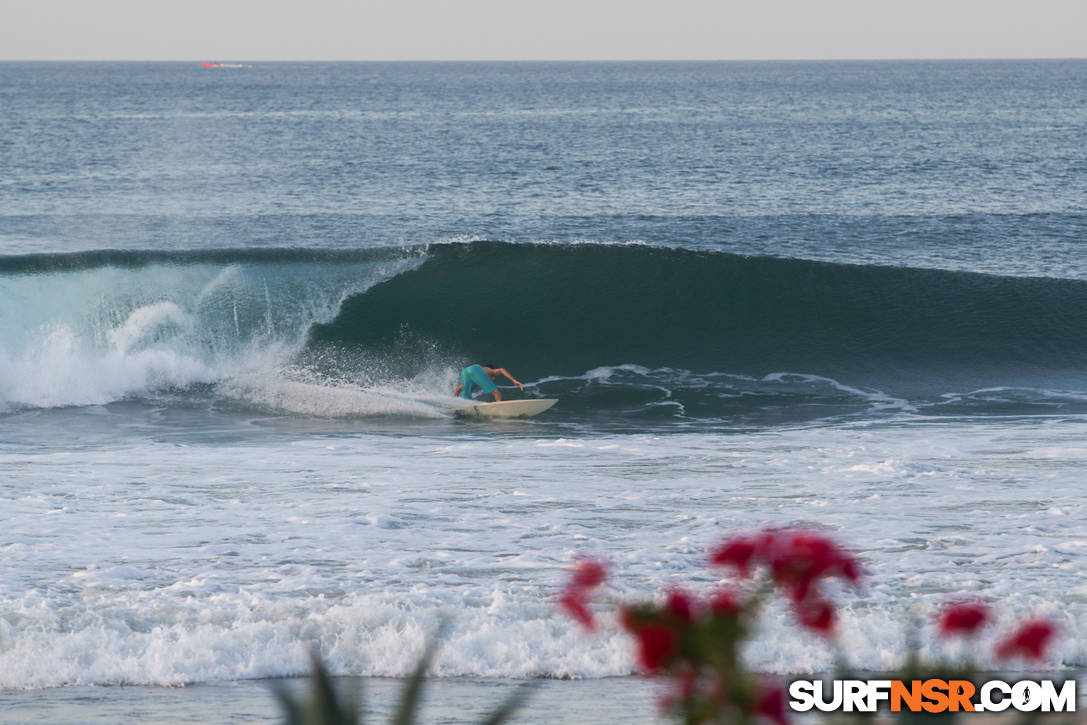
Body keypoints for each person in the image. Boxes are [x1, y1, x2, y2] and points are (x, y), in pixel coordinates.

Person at [454, 363, 524, 402]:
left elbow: (458, 390)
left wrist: (455, 401)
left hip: (466, 370)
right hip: (475, 368)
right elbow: (501, 370)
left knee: (466, 398)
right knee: (496, 392)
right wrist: (513, 380)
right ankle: (499, 405)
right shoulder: (490, 371)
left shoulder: (475, 379)